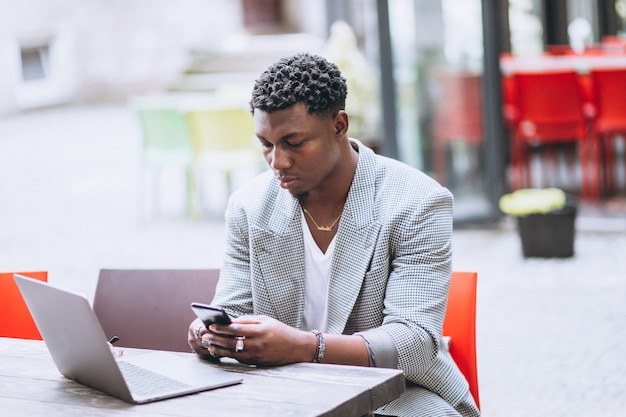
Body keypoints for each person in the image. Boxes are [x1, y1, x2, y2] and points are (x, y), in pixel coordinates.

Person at [188, 53, 480, 417]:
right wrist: (212, 337)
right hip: (282, 388)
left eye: (294, 142)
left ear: (339, 125)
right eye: (266, 144)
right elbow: (235, 311)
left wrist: (305, 347)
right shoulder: (249, 207)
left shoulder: (416, 201)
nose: (277, 161)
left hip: (393, 390)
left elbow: (415, 343)